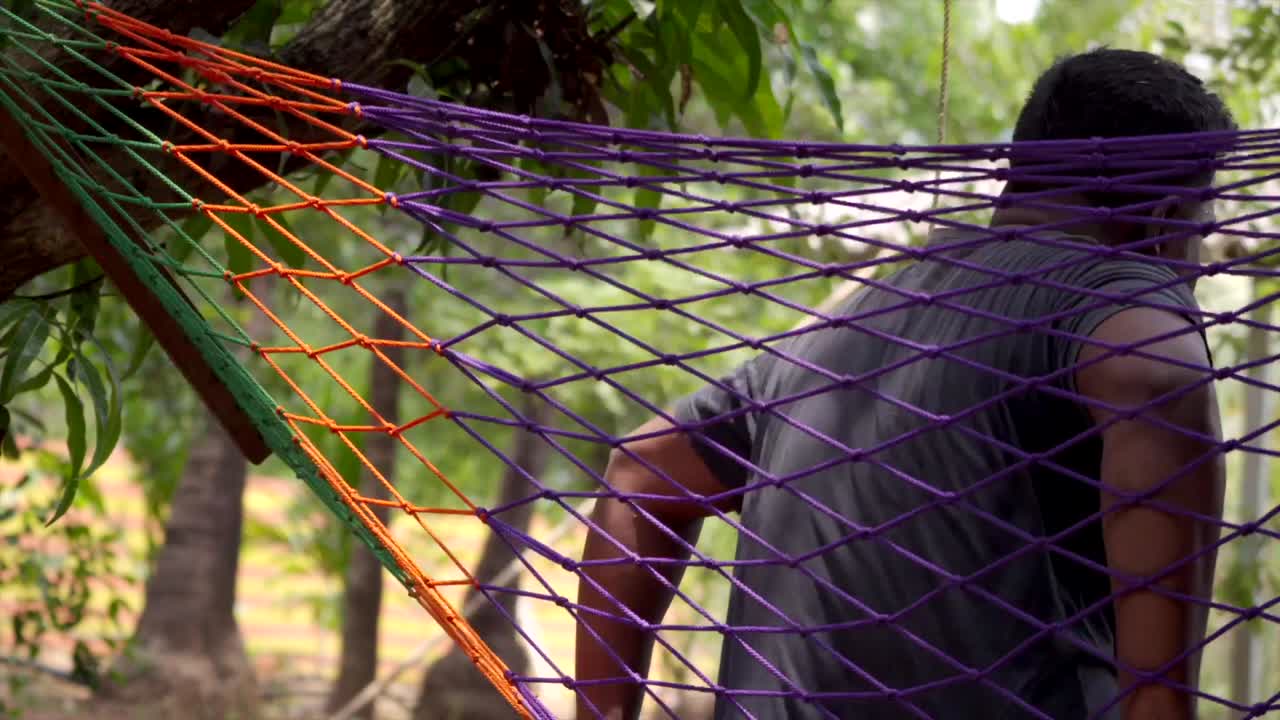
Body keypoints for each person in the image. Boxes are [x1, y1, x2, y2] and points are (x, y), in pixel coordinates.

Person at [573, 48, 1234, 720]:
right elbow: (1157, 370)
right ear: (1165, 219)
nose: (1199, 265)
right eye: (1201, 234)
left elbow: (638, 477)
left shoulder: (848, 322)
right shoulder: (1118, 299)